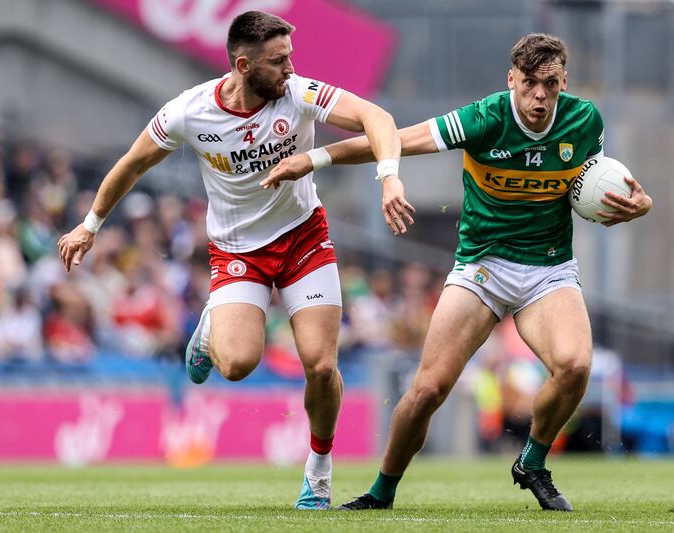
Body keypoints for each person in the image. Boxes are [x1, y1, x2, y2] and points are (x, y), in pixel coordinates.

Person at [261, 33, 652, 511]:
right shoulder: (484, 118)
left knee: (575, 366)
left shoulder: (584, 120)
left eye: (550, 84)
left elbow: (599, 185)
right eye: (529, 83)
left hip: (548, 268)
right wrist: (315, 158)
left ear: (564, 80)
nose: (539, 96)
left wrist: (639, 203)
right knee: (428, 388)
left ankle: (532, 461)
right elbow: (398, 140)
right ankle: (381, 492)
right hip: (482, 268)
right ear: (512, 79)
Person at [57, 10, 415, 510]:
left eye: (291, 56)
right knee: (239, 363)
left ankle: (318, 471)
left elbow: (377, 118)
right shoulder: (189, 111)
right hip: (237, 250)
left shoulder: (299, 92)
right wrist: (89, 225)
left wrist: (390, 176)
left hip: (303, 239)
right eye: (278, 60)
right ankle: (210, 330)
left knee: (320, 364)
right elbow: (132, 163)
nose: (291, 68)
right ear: (244, 65)